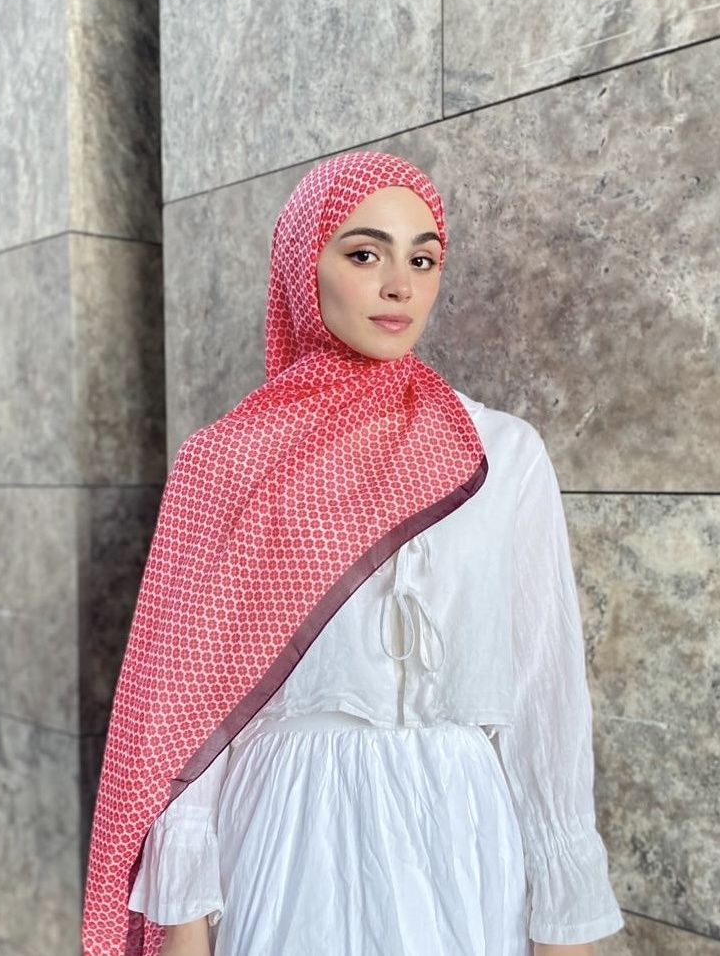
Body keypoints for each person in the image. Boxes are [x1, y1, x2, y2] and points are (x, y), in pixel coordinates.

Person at [82, 151, 624, 956]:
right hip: (291, 835)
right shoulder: (228, 460)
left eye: (422, 259)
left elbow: (546, 691)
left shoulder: (502, 453)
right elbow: (187, 712)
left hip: (464, 834)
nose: (399, 285)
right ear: (304, 267)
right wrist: (184, 922)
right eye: (366, 253)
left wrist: (564, 914)